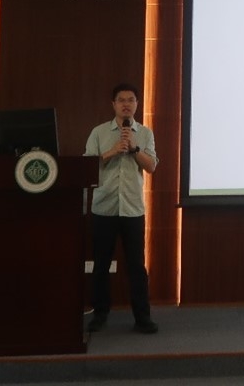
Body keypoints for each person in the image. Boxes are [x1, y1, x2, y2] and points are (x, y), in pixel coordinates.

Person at [84, 83, 159, 334]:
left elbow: (151, 166)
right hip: (104, 207)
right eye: (121, 100)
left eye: (131, 100)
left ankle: (142, 317)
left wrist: (134, 148)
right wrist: (112, 151)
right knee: (101, 265)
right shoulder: (99, 132)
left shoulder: (145, 133)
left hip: (133, 209)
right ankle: (100, 314)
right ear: (113, 104)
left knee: (136, 266)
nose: (126, 104)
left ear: (137, 104)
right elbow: (87, 167)